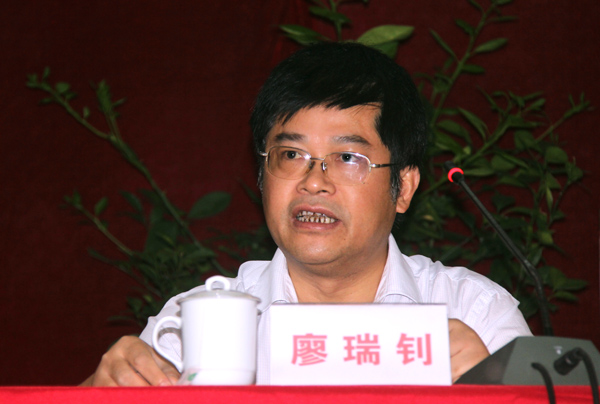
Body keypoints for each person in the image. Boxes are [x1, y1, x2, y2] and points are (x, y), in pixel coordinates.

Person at [81, 42, 531, 387]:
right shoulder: (200, 320)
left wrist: (494, 393)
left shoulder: (476, 314)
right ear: (262, 176)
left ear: (404, 188)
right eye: (291, 154)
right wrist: (95, 394)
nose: (314, 182)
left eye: (347, 158)